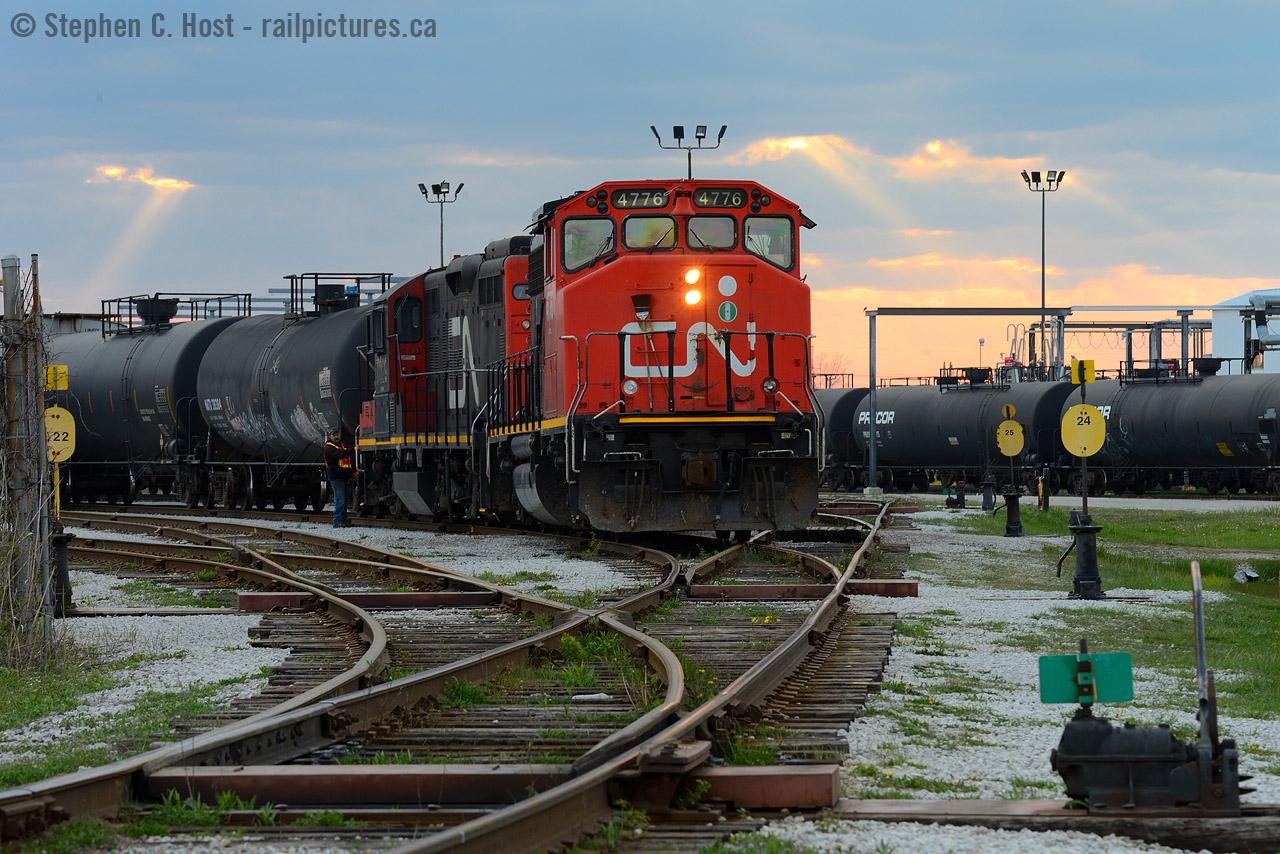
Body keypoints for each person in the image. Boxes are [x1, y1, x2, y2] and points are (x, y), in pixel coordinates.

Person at [323, 429, 354, 527]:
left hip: (344, 476)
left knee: (344, 500)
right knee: (340, 499)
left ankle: (344, 521)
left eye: (337, 434)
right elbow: (340, 455)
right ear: (330, 437)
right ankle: (337, 521)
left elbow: (347, 460)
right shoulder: (328, 448)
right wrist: (354, 449)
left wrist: (354, 471)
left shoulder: (341, 446)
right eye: (334, 435)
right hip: (336, 477)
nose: (336, 437)